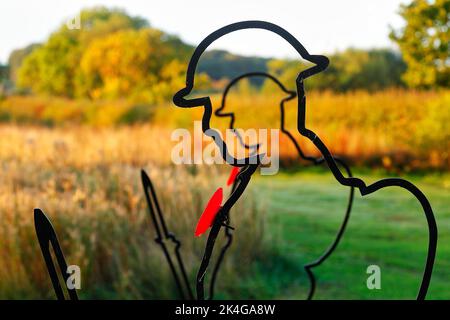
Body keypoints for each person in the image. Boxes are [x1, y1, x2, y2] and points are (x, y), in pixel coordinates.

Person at [173, 20, 437, 300]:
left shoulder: (391, 200)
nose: (211, 124)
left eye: (214, 109)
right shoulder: (247, 175)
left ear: (284, 101)